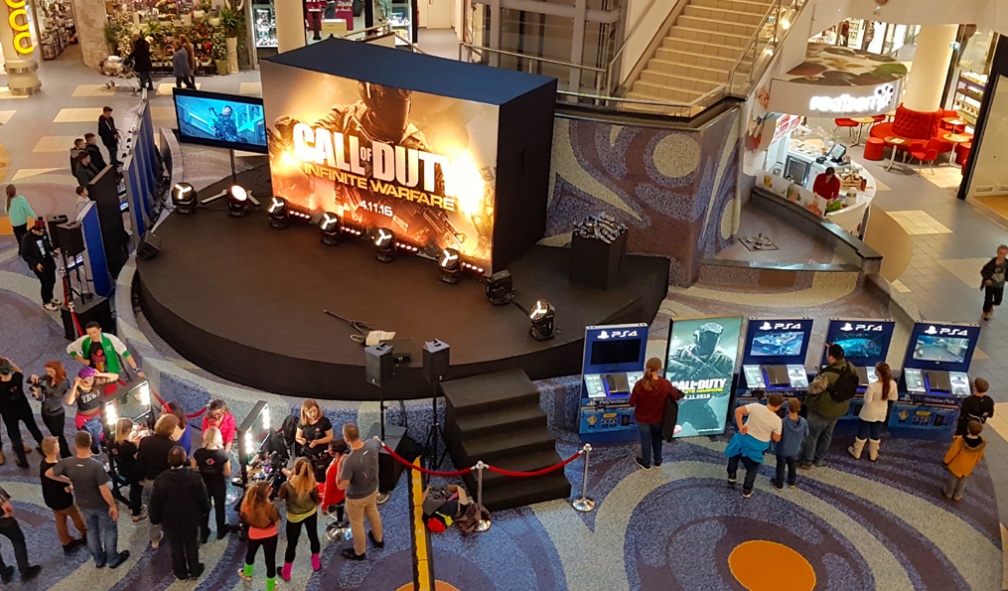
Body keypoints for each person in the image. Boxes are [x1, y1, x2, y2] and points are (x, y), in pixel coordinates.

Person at [46, 431, 130, 569]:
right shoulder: (96, 466)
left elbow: (49, 473)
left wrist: (68, 480)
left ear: (76, 445)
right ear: (90, 443)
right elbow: (104, 490)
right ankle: (113, 559)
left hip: (82, 503)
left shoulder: (68, 462)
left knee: (91, 530)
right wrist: (112, 505)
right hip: (100, 504)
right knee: (109, 529)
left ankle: (98, 559)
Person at [149, 445, 209, 581]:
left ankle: (180, 571)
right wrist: (205, 510)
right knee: (191, 543)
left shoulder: (161, 480)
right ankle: (194, 569)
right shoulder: (194, 476)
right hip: (191, 518)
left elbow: (155, 502)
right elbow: (202, 497)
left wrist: (155, 518)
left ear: (168, 460)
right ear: (184, 459)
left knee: (175, 545)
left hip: (170, 520)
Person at [798, 344, 857, 469]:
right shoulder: (850, 367)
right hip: (839, 409)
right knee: (827, 435)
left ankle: (806, 460)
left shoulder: (827, 375)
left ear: (831, 358)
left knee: (811, 435)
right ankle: (819, 459)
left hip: (822, 410)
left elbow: (813, 389)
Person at [337, 422, 383, 560]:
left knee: (357, 523)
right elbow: (378, 442)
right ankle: (378, 539)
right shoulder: (372, 445)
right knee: (373, 512)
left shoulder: (350, 460)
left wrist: (340, 465)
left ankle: (359, 552)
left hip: (356, 497)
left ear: (346, 439)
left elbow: (342, 485)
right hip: (372, 490)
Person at [724, 392, 783, 498]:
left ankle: (731, 475)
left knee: (734, 456)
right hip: (759, 446)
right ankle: (747, 490)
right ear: (779, 406)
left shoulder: (756, 406)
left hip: (743, 439)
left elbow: (738, 411)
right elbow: (776, 438)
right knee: (753, 468)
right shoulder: (777, 421)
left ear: (768, 400)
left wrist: (741, 426)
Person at [628, 357, 680, 469]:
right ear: (659, 369)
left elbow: (632, 402)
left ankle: (646, 462)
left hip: (643, 419)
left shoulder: (639, 384)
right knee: (657, 439)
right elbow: (675, 396)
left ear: (647, 367)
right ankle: (658, 460)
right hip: (659, 418)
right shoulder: (665, 384)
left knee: (645, 441)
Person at [67, 320, 145, 394]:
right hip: (94, 375)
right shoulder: (85, 341)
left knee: (111, 394)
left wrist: (136, 369)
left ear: (99, 330)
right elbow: (70, 349)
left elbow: (125, 353)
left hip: (109, 374)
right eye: (89, 333)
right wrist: (83, 360)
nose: (92, 335)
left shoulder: (110, 339)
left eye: (94, 332)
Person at [138, 413, 180, 550]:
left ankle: (154, 539)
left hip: (150, 481)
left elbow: (140, 462)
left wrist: (140, 479)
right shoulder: (172, 447)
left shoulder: (145, 441)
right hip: (167, 484)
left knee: (153, 510)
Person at [40, 436, 87, 553]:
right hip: (63, 500)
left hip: (50, 499)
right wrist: (72, 485)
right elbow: (67, 489)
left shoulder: (43, 463)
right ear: (56, 450)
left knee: (60, 519)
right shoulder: (59, 468)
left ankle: (65, 540)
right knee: (76, 515)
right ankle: (85, 534)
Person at [278, 457, 322, 580]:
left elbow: (281, 497)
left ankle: (286, 572)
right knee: (313, 536)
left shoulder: (287, 486)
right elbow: (316, 499)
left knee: (292, 544)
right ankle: (316, 563)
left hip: (294, 517)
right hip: (311, 513)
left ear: (295, 469)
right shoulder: (311, 482)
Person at [0, 357, 46, 468]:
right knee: (33, 427)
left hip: (8, 412)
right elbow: (19, 370)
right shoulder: (17, 378)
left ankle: (22, 460)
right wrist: (9, 361)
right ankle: (44, 447)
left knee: (15, 435)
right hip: (24, 408)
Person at [237, 480, 282, 591]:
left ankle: (247, 573)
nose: (272, 489)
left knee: (250, 553)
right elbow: (277, 522)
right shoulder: (270, 507)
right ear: (267, 493)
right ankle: (271, 586)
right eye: (270, 488)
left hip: (254, 534)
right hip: (270, 535)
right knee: (270, 560)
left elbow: (242, 516)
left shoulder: (247, 504)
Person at [849, 362, 898, 461]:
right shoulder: (892, 384)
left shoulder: (873, 386)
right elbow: (894, 398)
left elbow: (867, 400)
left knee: (862, 432)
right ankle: (873, 454)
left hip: (868, 413)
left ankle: (857, 452)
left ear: (878, 372)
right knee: (875, 434)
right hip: (881, 413)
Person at [65, 366, 119, 453]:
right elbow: (69, 401)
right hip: (85, 420)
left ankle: (104, 445)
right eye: (87, 379)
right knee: (91, 439)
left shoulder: (96, 382)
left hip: (98, 415)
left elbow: (115, 377)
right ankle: (94, 449)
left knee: (105, 433)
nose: (90, 381)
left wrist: (100, 374)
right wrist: (75, 385)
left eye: (91, 378)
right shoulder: (79, 389)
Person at [194, 426, 232, 541]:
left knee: (204, 509)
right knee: (220, 508)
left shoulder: (198, 453)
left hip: (204, 485)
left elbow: (193, 469)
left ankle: (204, 533)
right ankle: (220, 531)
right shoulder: (223, 455)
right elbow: (227, 473)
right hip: (218, 485)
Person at [29, 360, 71, 457]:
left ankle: (66, 455)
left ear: (57, 370)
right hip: (45, 411)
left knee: (59, 435)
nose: (48, 373)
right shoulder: (48, 377)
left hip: (56, 414)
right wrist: (32, 378)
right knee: (53, 433)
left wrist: (40, 396)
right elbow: (33, 381)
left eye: (51, 371)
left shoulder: (63, 383)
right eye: (47, 371)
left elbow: (54, 400)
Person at [0, 484, 41, 582]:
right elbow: (4, 502)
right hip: (4, 520)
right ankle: (25, 570)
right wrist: (8, 512)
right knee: (17, 540)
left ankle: (3, 572)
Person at [108, 417, 144, 521]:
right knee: (136, 490)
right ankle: (136, 513)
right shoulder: (129, 446)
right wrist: (137, 445)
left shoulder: (111, 440)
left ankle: (134, 505)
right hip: (133, 471)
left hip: (121, 468)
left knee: (134, 487)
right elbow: (137, 457)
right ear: (128, 430)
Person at [20, 218, 60, 311]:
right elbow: (25, 254)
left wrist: (52, 250)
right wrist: (35, 264)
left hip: (48, 260)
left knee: (52, 280)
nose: (42, 234)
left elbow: (47, 244)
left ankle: (50, 297)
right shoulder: (27, 238)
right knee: (45, 283)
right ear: (35, 230)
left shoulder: (44, 233)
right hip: (39, 264)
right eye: (40, 232)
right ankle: (46, 302)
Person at [943, 420, 986, 502]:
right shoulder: (981, 443)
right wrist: (974, 463)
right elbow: (979, 456)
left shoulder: (960, 441)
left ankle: (949, 493)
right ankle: (958, 495)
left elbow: (952, 452)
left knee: (952, 480)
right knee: (962, 481)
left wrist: (946, 461)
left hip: (956, 465)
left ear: (968, 429)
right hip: (968, 467)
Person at [771, 398, 808, 489]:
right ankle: (792, 482)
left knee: (780, 466)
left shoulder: (782, 422)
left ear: (787, 408)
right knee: (792, 466)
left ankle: (779, 483)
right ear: (799, 409)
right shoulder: (804, 422)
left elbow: (778, 436)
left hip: (782, 449)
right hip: (795, 449)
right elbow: (806, 434)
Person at [296, 399, 334, 482]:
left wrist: (317, 442)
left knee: (320, 477)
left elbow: (330, 437)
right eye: (310, 412)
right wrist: (301, 440)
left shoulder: (324, 421)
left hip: (321, 455)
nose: (313, 414)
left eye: (315, 411)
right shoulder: (302, 422)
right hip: (308, 454)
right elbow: (297, 437)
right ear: (305, 413)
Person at [321, 438, 348, 526]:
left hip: (336, 496)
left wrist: (324, 506)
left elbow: (328, 490)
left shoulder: (332, 470)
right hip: (346, 492)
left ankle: (339, 520)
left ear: (335, 452)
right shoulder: (347, 458)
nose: (328, 450)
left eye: (329, 449)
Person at [4, 184, 36, 250]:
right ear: (15, 191)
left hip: (14, 224)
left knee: (19, 237)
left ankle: (21, 248)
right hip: (23, 222)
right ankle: (27, 248)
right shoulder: (21, 199)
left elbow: (6, 211)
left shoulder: (7, 201)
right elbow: (28, 210)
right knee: (24, 234)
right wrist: (35, 216)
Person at [980, 244, 1007, 320]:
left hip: (1000, 285)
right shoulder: (992, 263)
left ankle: (990, 305)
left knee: (998, 301)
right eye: (1000, 253)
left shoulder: (1007, 264)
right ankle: (985, 312)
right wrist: (986, 279)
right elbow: (984, 271)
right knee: (988, 298)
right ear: (997, 252)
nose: (1002, 255)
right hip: (990, 284)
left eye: (1004, 253)